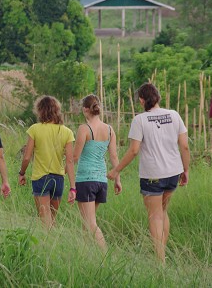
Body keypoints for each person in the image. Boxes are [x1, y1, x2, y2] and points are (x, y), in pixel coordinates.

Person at [107, 82, 191, 264]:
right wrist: (186, 169)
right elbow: (184, 145)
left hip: (152, 174)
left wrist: (116, 170)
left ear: (141, 100)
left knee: (155, 215)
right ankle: (162, 252)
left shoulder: (140, 120)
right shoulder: (174, 115)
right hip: (173, 173)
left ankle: (160, 261)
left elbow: (134, 150)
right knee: (163, 211)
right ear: (158, 98)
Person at [18, 95, 76, 229]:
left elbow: (27, 157)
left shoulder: (35, 129)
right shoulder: (67, 132)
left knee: (44, 219)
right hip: (58, 179)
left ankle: (46, 247)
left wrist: (22, 173)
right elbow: (70, 161)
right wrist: (73, 187)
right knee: (52, 219)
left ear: (40, 110)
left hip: (40, 178)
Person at [72, 94, 122, 250]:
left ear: (86, 109)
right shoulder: (109, 129)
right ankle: (87, 254)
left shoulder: (84, 128)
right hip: (102, 180)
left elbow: (75, 157)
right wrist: (118, 179)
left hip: (86, 179)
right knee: (86, 221)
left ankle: (105, 255)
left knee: (90, 223)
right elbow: (113, 156)